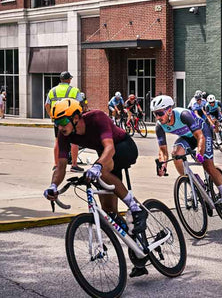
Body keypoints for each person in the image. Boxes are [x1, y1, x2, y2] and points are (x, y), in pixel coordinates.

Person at [43, 99, 148, 277]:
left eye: (62, 122)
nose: (59, 127)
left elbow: (109, 148)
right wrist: (53, 186)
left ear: (76, 117)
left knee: (100, 171)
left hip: (122, 147)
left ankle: (136, 209)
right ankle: (137, 248)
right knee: (109, 213)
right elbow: (60, 166)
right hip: (105, 157)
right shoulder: (64, 134)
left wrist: (98, 166)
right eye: (56, 122)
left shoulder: (97, 118)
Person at [151, 95, 222, 214]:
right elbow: (163, 150)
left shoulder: (184, 115)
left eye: (160, 113)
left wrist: (200, 153)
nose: (158, 117)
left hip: (203, 133)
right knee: (176, 154)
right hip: (187, 138)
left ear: (169, 110)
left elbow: (200, 136)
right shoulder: (159, 126)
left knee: (208, 165)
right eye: (155, 114)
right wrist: (163, 164)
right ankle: (194, 181)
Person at [44, 71, 84, 173]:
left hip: (58, 120)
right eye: (70, 79)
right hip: (70, 120)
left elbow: (47, 105)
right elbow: (81, 104)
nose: (71, 80)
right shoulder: (74, 91)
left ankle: (56, 164)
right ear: (68, 79)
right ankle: (74, 165)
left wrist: (52, 116)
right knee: (74, 141)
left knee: (58, 141)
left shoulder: (52, 91)